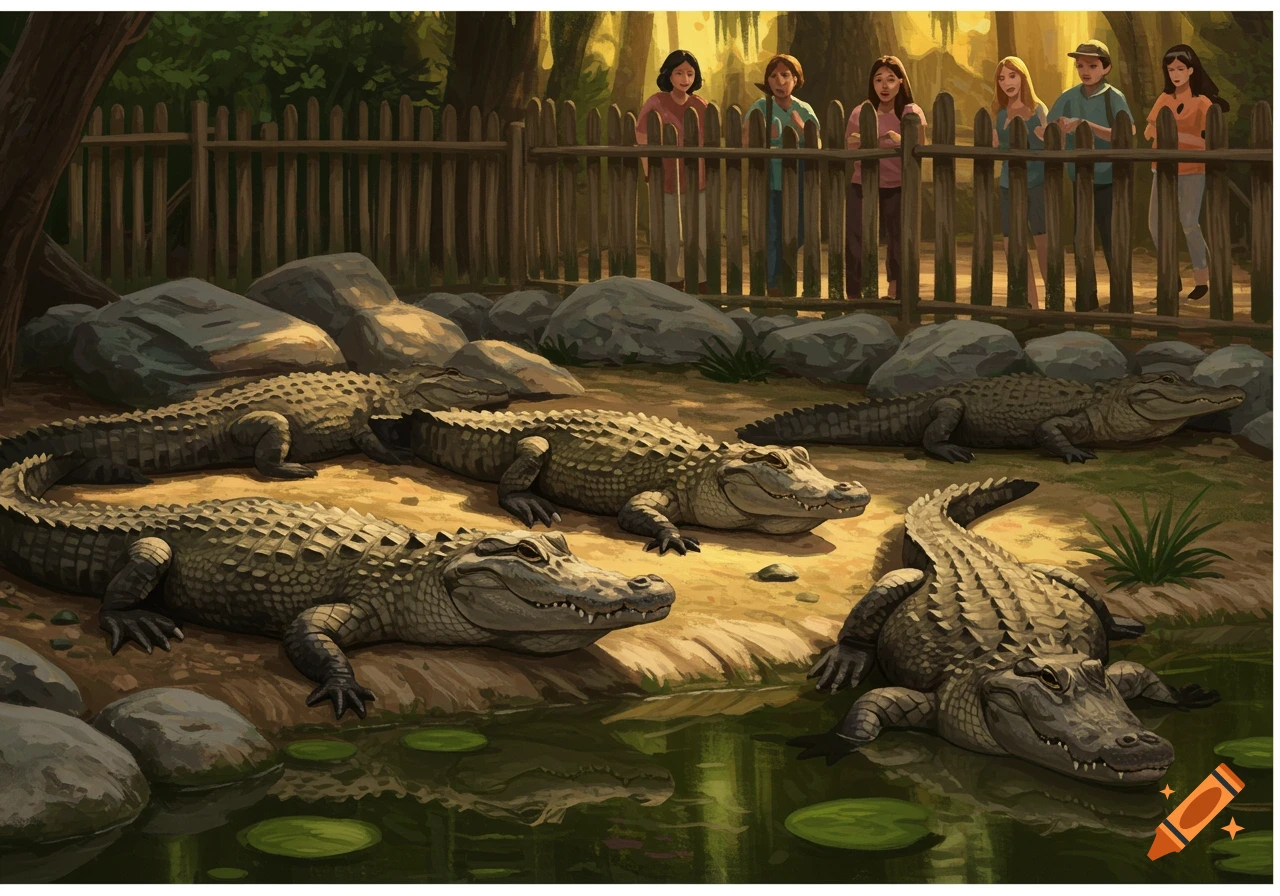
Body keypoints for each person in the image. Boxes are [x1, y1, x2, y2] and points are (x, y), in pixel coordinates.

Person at [1045, 39, 1134, 310]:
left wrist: (1087, 125)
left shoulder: (1113, 96)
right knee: (1081, 239)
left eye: (1092, 66)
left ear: (1105, 68)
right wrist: (1057, 130)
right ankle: (1087, 298)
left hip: (1110, 180)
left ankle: (1121, 300)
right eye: (1080, 65)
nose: (1085, 71)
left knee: (1112, 239)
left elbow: (1127, 133)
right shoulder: (1069, 96)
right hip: (1080, 178)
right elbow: (1049, 128)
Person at [1145, 44, 1229, 302]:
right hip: (1163, 169)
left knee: (1189, 223)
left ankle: (1202, 280)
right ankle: (1171, 276)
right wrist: (1162, 134)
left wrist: (1177, 137)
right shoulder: (1164, 99)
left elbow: (1208, 143)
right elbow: (1149, 132)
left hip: (1192, 170)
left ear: (1191, 70)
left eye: (1180, 68)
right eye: (1171, 70)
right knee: (1155, 225)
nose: (1175, 74)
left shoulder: (1202, 103)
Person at [845, 55, 927, 301]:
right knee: (857, 237)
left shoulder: (911, 112)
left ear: (901, 82)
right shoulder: (861, 112)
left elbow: (921, 147)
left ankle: (896, 290)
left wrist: (901, 141)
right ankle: (855, 293)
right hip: (863, 182)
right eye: (879, 79)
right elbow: (849, 144)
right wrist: (872, 141)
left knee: (899, 238)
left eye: (891, 79)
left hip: (899, 184)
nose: (884, 86)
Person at [744, 54, 820, 295]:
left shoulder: (804, 109)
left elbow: (817, 146)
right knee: (772, 231)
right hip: (768, 180)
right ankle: (773, 284)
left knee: (798, 230)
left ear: (796, 79)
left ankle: (786, 276)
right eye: (774, 76)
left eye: (786, 75)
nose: (780, 81)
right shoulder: (760, 108)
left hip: (797, 180)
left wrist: (800, 127)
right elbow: (746, 142)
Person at [637, 49, 709, 290]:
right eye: (679, 73)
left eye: (690, 73)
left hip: (697, 180)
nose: (685, 79)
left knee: (698, 235)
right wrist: (649, 173)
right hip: (666, 180)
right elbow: (642, 136)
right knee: (670, 236)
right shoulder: (656, 102)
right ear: (669, 74)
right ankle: (671, 280)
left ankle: (700, 281)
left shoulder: (700, 105)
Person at [992, 56, 1049, 309]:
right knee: (1011, 244)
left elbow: (1049, 141)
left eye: (1012, 76)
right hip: (1007, 184)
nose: (1007, 82)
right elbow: (994, 145)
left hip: (1036, 183)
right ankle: (1031, 304)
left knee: (1042, 243)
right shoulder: (999, 113)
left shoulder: (1038, 109)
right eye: (1002, 78)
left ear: (1023, 78)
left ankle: (1053, 299)